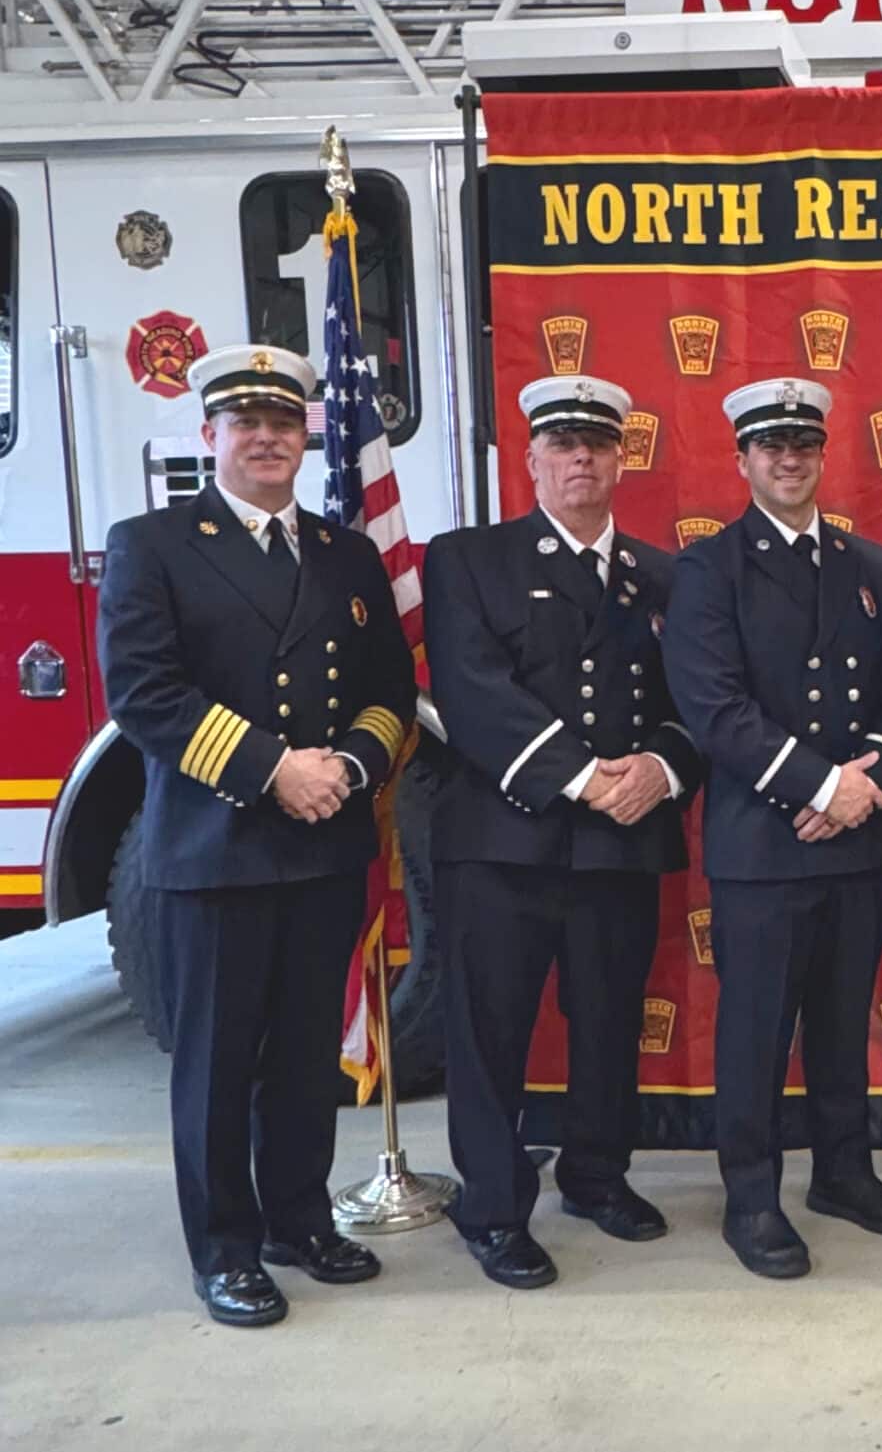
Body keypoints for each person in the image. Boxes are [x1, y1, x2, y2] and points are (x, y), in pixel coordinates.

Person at [97, 343, 413, 1326]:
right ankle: (225, 1250)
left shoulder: (345, 554)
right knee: (217, 1064)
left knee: (307, 1054)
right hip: (215, 850)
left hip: (322, 846)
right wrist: (278, 769)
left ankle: (299, 1221)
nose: (268, 439)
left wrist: (346, 771)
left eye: (284, 424)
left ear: (305, 439)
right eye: (247, 424)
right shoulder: (153, 544)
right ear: (211, 435)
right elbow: (144, 693)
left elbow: (389, 690)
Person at [424, 373, 702, 1290]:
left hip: (622, 840)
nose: (581, 458)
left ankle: (596, 1174)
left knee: (610, 1020)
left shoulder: (663, 575)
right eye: (562, 443)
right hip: (504, 841)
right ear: (533, 458)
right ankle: (493, 1207)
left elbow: (696, 699)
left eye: (597, 444)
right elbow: (472, 692)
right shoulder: (469, 559)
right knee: (491, 1033)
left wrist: (660, 769)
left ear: (621, 459)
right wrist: (586, 778)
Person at [664, 377, 882, 1280]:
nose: (789, 459)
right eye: (771, 446)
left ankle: (843, 1171)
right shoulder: (709, 569)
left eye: (804, 445)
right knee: (757, 1029)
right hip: (764, 842)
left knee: (842, 1020)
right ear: (742, 458)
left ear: (822, 454)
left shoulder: (871, 567)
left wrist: (870, 778)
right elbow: (714, 707)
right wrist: (821, 785)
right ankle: (751, 1194)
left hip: (856, 837)